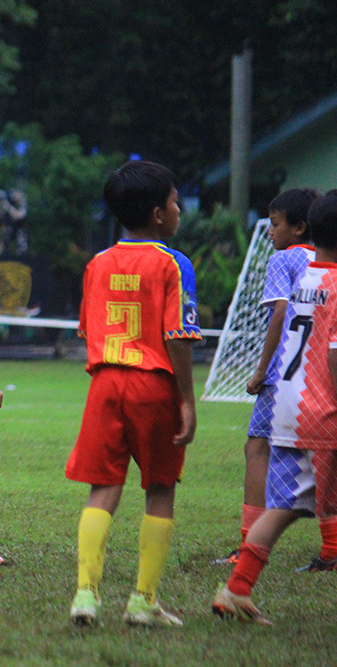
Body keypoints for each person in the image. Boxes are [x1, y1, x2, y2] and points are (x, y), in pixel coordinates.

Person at [66, 160, 201, 627]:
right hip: (153, 384)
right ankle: (143, 600)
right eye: (175, 200)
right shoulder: (173, 263)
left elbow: (89, 330)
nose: (179, 208)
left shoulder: (97, 264)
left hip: (105, 382)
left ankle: (86, 594)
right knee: (160, 488)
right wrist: (186, 399)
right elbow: (178, 336)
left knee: (102, 487)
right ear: (159, 214)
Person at [212, 191, 337, 625]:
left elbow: (284, 315)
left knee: (278, 488)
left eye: (274, 220)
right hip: (324, 401)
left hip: (289, 393)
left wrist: (264, 371)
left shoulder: (299, 274)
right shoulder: (329, 276)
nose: (269, 228)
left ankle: (241, 573)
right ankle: (329, 552)